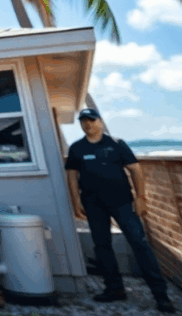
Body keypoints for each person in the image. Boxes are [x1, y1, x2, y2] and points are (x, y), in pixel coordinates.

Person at [65, 108, 176, 313]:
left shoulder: (116, 144)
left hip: (122, 203)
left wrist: (141, 198)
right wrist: (75, 201)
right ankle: (114, 288)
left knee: (139, 244)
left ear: (99, 121)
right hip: (93, 204)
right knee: (102, 246)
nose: (87, 124)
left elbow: (135, 169)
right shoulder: (77, 148)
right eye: (83, 121)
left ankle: (160, 295)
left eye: (91, 120)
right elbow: (72, 175)